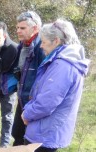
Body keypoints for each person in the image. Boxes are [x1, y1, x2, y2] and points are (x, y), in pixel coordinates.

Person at [21, 19, 90, 152]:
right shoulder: (64, 61)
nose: (41, 46)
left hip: (44, 134)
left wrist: (27, 113)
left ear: (56, 41)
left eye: (44, 42)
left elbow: (46, 102)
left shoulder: (62, 66)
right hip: (47, 130)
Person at [11, 11, 46, 146]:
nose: (18, 31)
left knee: (29, 140)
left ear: (35, 28)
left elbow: (43, 80)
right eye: (17, 28)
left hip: (33, 103)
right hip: (22, 99)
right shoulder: (22, 45)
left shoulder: (42, 48)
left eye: (23, 28)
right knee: (17, 134)